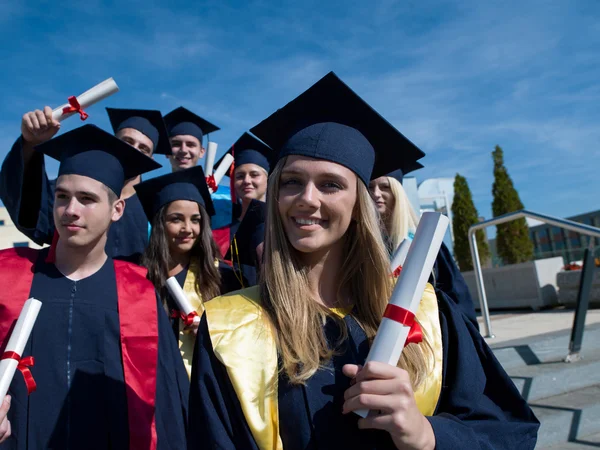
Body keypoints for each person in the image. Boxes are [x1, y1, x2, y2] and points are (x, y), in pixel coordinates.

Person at [187, 72, 539, 450]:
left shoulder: (429, 314)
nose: (307, 198)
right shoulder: (232, 326)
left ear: (360, 205)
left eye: (330, 184)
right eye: (291, 181)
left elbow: (507, 431)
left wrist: (427, 434)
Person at [0, 125, 188, 449]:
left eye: (87, 199)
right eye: (62, 196)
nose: (71, 210)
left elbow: (167, 407)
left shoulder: (139, 294)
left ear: (117, 210)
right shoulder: (9, 278)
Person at [0, 106, 170, 263]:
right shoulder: (68, 195)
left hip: (134, 292)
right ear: (112, 142)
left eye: (144, 148)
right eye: (127, 141)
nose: (134, 150)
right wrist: (30, 144)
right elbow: (29, 211)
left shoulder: (155, 207)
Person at [134, 166, 245, 376]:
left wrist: (213, 334)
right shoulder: (140, 279)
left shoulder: (224, 277)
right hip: (156, 383)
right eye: (176, 219)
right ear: (160, 224)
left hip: (204, 385)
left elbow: (242, 340)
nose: (188, 228)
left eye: (195, 220)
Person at [370, 169, 481, 330]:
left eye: (385, 187)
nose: (376, 193)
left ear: (398, 192)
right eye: (370, 187)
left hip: (423, 332)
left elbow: (454, 296)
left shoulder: (422, 242)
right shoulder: (362, 244)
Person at [212, 132, 272, 258]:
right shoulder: (219, 236)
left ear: (269, 180)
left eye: (254, 174)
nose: (246, 180)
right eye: (239, 176)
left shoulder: (282, 228)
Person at [163, 107, 219, 172]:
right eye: (176, 144)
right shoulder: (150, 181)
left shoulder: (213, 182)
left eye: (190, 145)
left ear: (201, 152)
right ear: (166, 151)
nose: (184, 150)